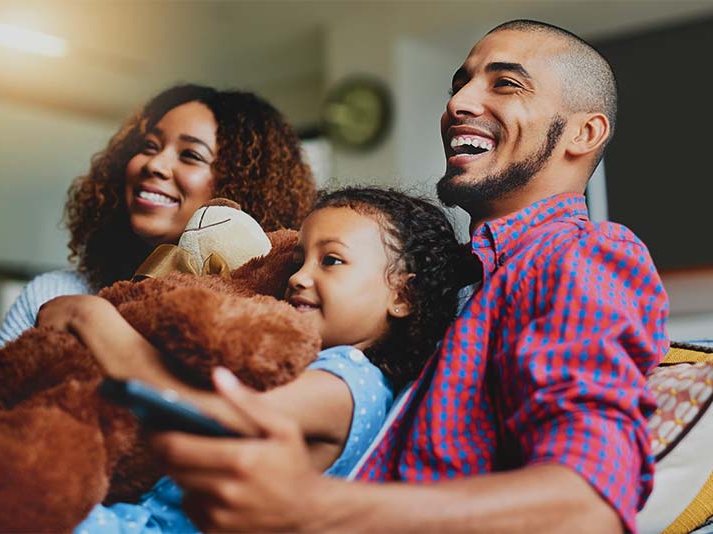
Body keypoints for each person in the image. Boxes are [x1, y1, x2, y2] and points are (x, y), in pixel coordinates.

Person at [147, 20, 670, 533]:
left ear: (584, 133)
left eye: (505, 84)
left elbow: (584, 508)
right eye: (459, 83)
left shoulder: (579, 255)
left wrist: (311, 506)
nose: (459, 103)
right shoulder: (449, 282)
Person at [35, 186, 477, 532]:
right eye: (301, 259)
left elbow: (197, 410)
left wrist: (90, 316)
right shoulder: (310, 365)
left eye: (332, 261)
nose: (300, 276)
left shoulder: (349, 383)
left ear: (402, 294)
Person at [0, 84, 316, 359]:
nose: (155, 164)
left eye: (190, 155)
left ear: (242, 185)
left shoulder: (272, 317)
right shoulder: (52, 293)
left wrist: (91, 322)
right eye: (149, 146)